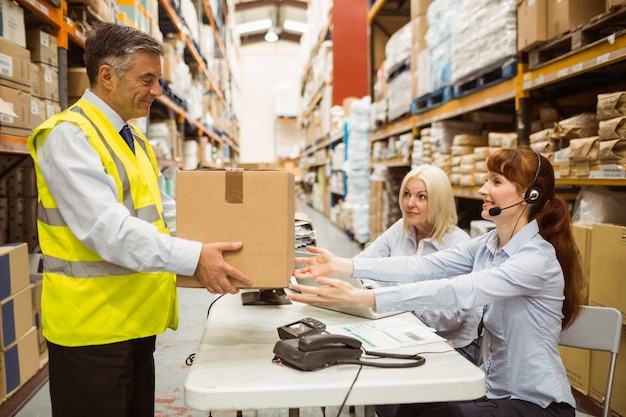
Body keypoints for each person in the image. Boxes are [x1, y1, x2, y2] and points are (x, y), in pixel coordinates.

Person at [27, 22, 253, 417]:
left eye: (159, 80)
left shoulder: (132, 139)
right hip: (91, 331)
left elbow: (162, 210)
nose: (157, 92)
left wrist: (238, 236)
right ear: (107, 76)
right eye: (147, 80)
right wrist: (194, 257)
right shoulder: (68, 136)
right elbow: (107, 231)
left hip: (134, 322)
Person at [289, 145, 585, 417]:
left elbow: (459, 290)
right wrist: (343, 264)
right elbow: (426, 266)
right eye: (487, 180)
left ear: (530, 195)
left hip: (537, 404)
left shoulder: (536, 260)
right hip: (493, 392)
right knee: (405, 406)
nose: (483, 189)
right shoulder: (487, 245)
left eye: (496, 182)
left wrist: (364, 299)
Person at [357, 165, 481, 363]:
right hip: (402, 331)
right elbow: (362, 266)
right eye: (406, 194)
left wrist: (393, 297)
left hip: (450, 345)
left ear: (439, 202)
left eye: (421, 197)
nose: (410, 203)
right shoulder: (401, 229)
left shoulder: (459, 244)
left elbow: (450, 318)